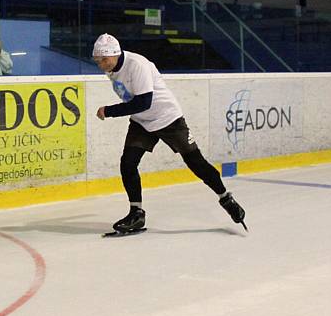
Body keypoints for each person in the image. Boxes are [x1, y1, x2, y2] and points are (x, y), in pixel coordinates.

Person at [92, 33, 247, 233]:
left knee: (195, 162)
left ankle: (226, 198)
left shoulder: (137, 65)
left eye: (104, 60)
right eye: (98, 61)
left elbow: (143, 101)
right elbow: (139, 106)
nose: (101, 65)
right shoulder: (113, 66)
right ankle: (136, 214)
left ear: (116, 54)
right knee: (128, 163)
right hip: (142, 121)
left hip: (167, 118)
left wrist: (109, 110)